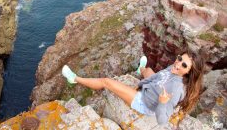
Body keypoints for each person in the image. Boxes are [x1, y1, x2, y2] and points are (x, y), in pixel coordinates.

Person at [62, 52, 204, 125]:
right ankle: (140, 69)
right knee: (148, 71)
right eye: (179, 58)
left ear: (188, 72)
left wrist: (162, 102)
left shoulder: (177, 88)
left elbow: (162, 120)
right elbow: (157, 77)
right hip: (148, 89)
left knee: (106, 82)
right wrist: (140, 84)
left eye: (184, 65)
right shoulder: (172, 69)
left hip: (144, 103)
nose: (178, 64)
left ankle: (73, 78)